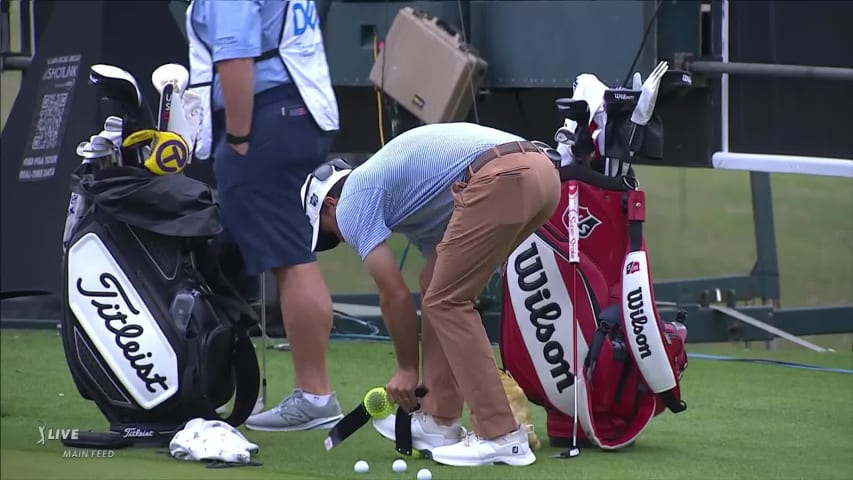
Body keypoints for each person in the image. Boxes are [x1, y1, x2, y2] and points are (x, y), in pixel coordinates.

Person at [300, 122, 561, 466]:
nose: (342, 237)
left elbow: (393, 293)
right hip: (542, 174)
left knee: (446, 300)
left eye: (331, 232)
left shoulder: (350, 201)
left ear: (330, 203)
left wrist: (408, 369)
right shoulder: (407, 197)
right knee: (435, 285)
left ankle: (500, 435)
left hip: (503, 176)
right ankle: (439, 420)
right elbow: (433, 275)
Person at [186, 0, 344, 431]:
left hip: (264, 117)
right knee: (244, 253)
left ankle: (314, 395)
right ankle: (238, 389)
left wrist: (238, 138)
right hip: (293, 112)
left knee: (291, 256)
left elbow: (235, 57)